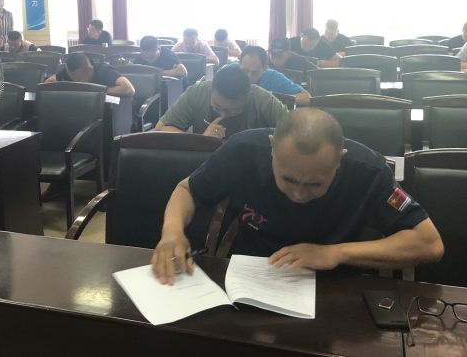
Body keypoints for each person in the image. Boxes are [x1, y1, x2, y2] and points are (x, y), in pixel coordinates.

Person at [151, 108, 444, 284]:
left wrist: (335, 253)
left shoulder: (368, 171)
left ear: (339, 161)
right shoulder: (243, 150)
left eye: (315, 184)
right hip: (250, 275)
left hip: (332, 283)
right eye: (288, 179)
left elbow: (429, 243)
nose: (299, 193)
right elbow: (188, 189)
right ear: (271, 149)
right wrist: (172, 231)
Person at [155, 65, 287, 139]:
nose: (223, 115)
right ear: (211, 89)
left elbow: (294, 131)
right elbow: (161, 127)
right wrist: (200, 140)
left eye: (233, 110)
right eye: (217, 107)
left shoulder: (262, 99)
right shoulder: (197, 92)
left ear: (248, 96)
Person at [238, 46, 309, 106]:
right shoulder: (232, 71)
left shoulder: (274, 77)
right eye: (245, 71)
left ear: (265, 68)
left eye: (254, 72)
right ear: (239, 65)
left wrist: (273, 100)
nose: (249, 76)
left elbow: (306, 97)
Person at [46, 52, 135, 97]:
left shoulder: (103, 70)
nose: (76, 82)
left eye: (79, 79)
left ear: (89, 70)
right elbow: (48, 83)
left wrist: (96, 91)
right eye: (72, 78)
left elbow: (129, 89)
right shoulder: (68, 72)